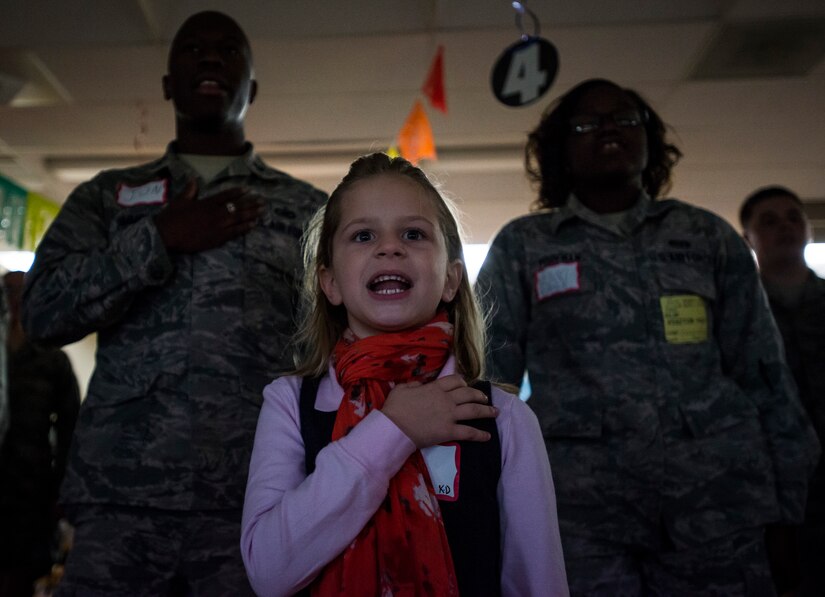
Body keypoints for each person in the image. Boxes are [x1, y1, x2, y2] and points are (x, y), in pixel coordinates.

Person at [21, 11, 326, 596]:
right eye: (192, 49)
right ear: (166, 84)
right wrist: (158, 239)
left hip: (255, 497)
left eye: (228, 50)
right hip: (122, 500)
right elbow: (40, 312)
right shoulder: (107, 198)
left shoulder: (305, 209)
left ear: (252, 87)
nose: (209, 59)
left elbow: (339, 343)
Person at [475, 78, 820, 595]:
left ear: (649, 139)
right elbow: (490, 384)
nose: (609, 129)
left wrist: (791, 509)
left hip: (715, 504)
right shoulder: (523, 246)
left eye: (625, 119)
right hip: (582, 515)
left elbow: (763, 373)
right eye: (587, 124)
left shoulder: (705, 236)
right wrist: (487, 501)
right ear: (561, 150)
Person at [241, 152, 568, 597]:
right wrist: (394, 428)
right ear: (330, 282)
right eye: (363, 235)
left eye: (413, 234)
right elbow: (269, 570)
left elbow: (538, 586)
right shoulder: (287, 404)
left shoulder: (506, 419)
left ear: (451, 280)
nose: (389, 247)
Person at [741, 185, 825, 596]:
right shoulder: (735, 316)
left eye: (794, 217)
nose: (785, 227)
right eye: (768, 221)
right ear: (749, 238)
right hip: (771, 489)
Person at [0, 271, 80, 597]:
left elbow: (71, 431)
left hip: (31, 494)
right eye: (7, 293)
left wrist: (63, 494)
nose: (13, 301)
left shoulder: (53, 360)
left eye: (20, 293)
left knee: (21, 577)